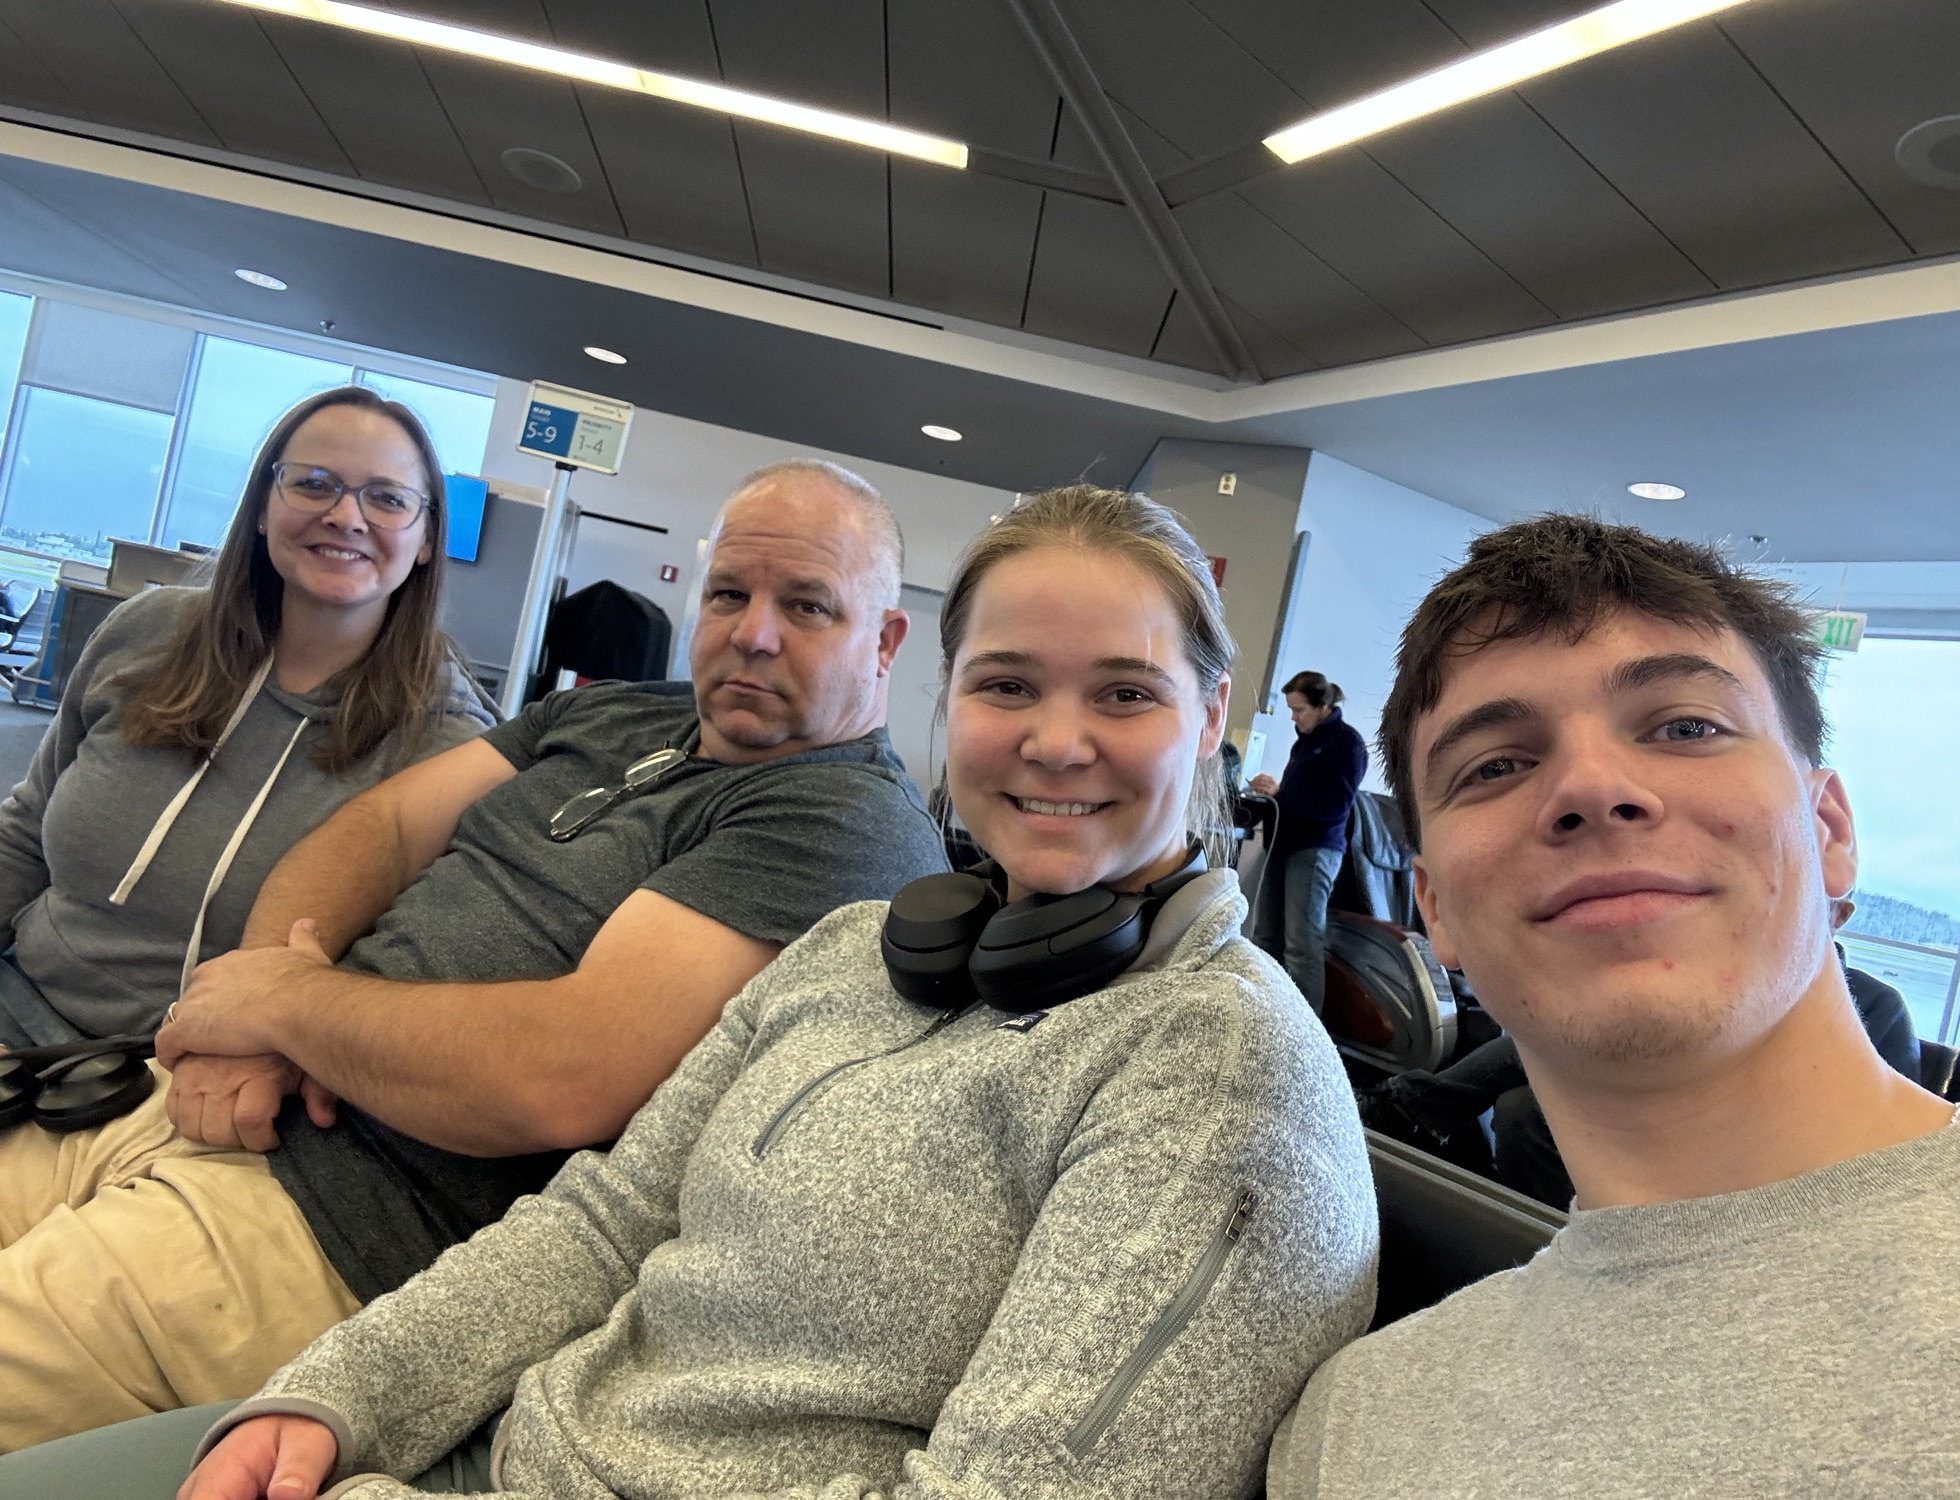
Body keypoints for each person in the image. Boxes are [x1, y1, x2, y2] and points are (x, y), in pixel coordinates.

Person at [4, 485, 1379, 1499]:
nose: (1056, 740)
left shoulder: (1216, 1067)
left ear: (1212, 718)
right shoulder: (858, 957)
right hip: (475, 1450)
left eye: (1125, 694)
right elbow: (597, 1229)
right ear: (949, 700)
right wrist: (343, 1398)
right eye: (1009, 683)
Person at [0, 460, 947, 1449]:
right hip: (203, 1108)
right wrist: (258, 1026)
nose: (754, 633)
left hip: (335, 1232)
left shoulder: (843, 820)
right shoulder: (613, 712)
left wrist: (286, 1012)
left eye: (806, 607)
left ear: (884, 640)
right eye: (728, 595)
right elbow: (379, 829)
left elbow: (559, 1074)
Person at [1268, 515, 1960, 1499]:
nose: (1590, 787)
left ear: (1827, 830)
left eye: (1683, 726)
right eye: (1494, 765)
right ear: (1432, 905)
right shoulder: (1352, 1432)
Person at [0, 385, 492, 1051]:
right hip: (17, 1008)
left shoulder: (448, 750)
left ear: (427, 537)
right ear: (264, 506)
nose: (347, 517)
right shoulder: (148, 633)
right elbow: (26, 830)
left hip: (195, 1083)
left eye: (386, 498)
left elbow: (399, 984)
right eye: (314, 484)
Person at [1359, 902, 1927, 1208]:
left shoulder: (1877, 1006)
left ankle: (1407, 1109)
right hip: (1668, 1109)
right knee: (1524, 1105)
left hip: (1757, 1151)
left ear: (1837, 916)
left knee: (1539, 1071)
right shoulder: (1738, 985)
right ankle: (1533, 1237)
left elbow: (1885, 1132)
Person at [1248, 670, 1367, 1011]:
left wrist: (1281, 795)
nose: (1294, 717)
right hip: (1282, 845)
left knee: (1301, 943)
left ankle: (1305, 1028)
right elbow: (1297, 795)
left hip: (1315, 850)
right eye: (1291, 710)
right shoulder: (1305, 741)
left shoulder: (1347, 744)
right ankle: (1261, 1012)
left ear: (1323, 705)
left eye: (1299, 710)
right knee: (1265, 935)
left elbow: (1333, 806)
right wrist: (1275, 796)